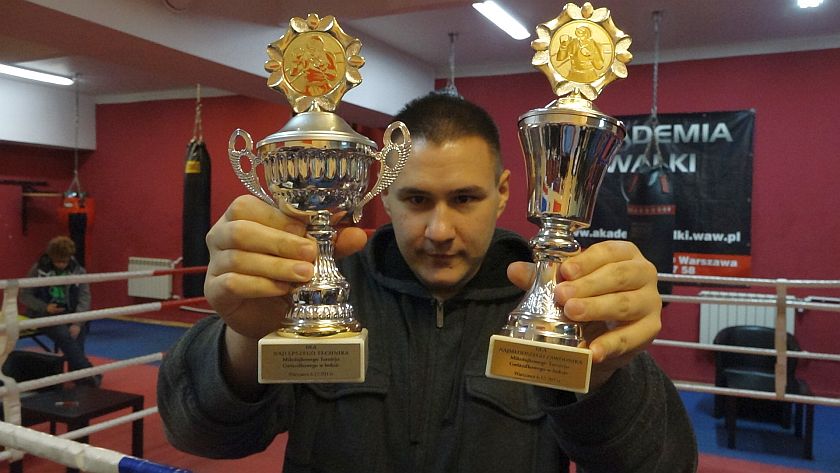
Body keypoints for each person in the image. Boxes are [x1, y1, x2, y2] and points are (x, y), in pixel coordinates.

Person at [158, 93, 697, 472]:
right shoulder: (313, 293)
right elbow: (199, 435)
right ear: (383, 192)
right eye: (417, 199)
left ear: (503, 193)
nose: (439, 230)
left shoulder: (562, 306)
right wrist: (245, 341)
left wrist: (606, 377)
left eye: (464, 199)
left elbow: (666, 465)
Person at [20, 235, 101, 387]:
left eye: (64, 261)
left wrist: (77, 323)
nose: (61, 265)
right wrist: (44, 307)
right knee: (65, 335)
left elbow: (85, 298)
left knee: (77, 334)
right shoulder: (38, 270)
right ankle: (88, 372)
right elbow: (25, 295)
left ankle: (78, 373)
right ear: (51, 257)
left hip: (70, 313)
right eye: (57, 261)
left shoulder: (78, 271)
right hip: (45, 314)